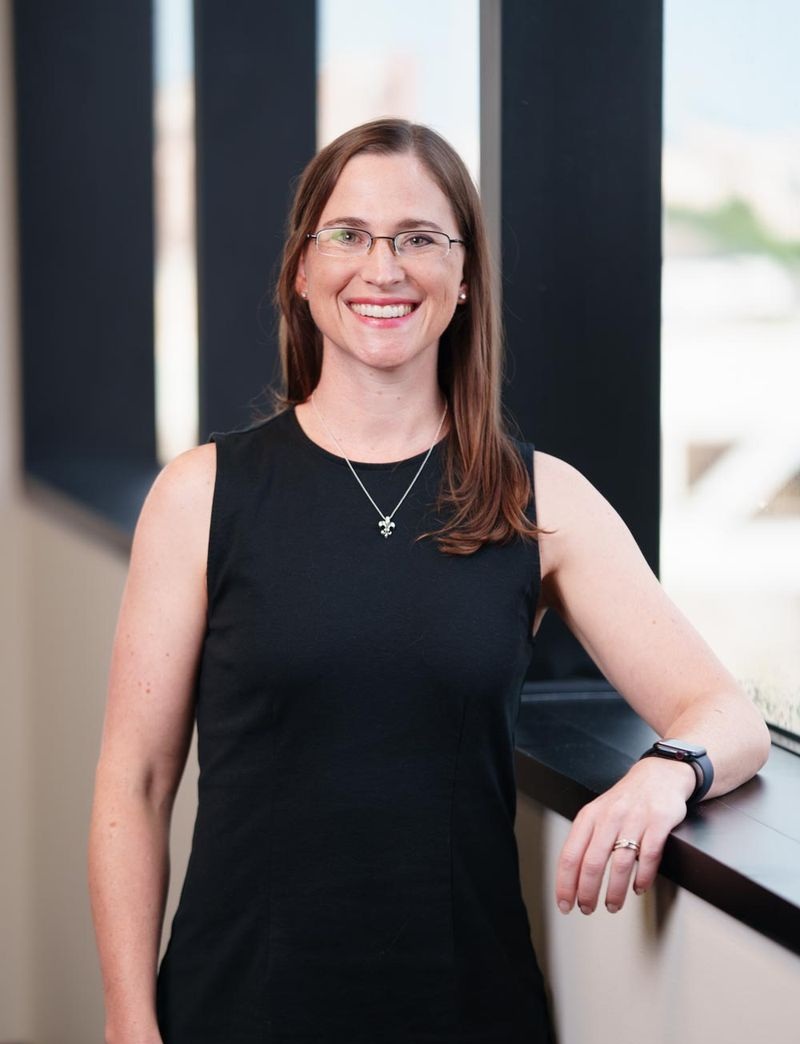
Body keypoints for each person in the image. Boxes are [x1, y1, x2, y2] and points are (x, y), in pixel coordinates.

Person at [88, 118, 770, 1044]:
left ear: (462, 280)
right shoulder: (201, 495)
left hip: (465, 1009)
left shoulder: (537, 499)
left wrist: (664, 775)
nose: (383, 268)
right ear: (301, 268)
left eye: (419, 239)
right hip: (235, 1007)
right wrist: (131, 1027)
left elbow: (726, 716)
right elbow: (135, 783)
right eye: (350, 235)